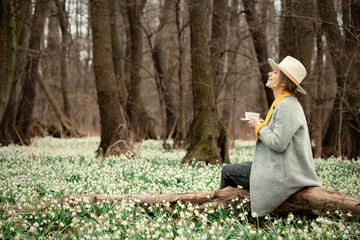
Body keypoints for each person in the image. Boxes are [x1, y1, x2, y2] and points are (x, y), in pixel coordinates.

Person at [219, 56, 322, 217]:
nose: (269, 73)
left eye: (275, 72)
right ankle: (244, 211)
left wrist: (259, 127)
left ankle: (227, 215)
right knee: (243, 166)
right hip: (281, 167)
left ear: (283, 82)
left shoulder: (286, 105)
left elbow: (278, 143)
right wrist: (262, 125)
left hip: (284, 174)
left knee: (227, 171)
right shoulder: (285, 103)